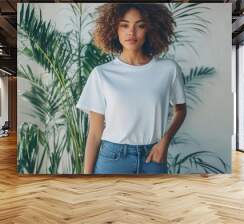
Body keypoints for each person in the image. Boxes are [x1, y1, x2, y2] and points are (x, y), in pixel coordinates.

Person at [76, 3, 187, 174]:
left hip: (153, 157)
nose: (131, 32)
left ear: (150, 29)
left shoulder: (168, 69)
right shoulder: (101, 74)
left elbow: (180, 110)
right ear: (114, 29)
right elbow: (95, 133)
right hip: (112, 159)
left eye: (140, 26)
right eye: (124, 25)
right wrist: (86, 179)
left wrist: (164, 142)